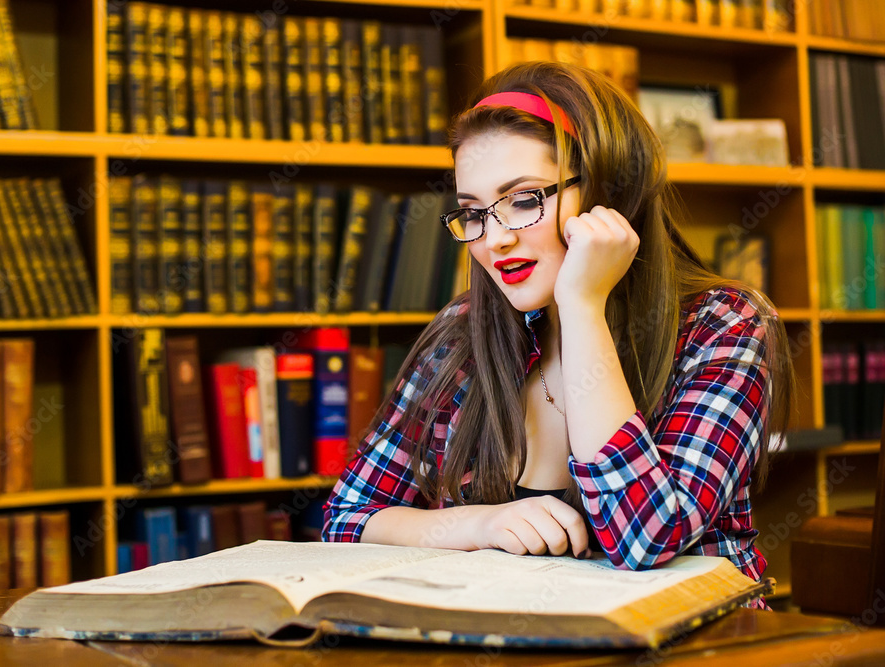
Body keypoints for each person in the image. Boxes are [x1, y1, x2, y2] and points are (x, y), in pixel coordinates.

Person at [322, 61, 795, 601]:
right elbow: (348, 517)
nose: (493, 240)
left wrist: (582, 307)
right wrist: (481, 526)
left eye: (523, 200)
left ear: (608, 195)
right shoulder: (463, 331)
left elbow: (644, 538)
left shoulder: (723, 325)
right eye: (472, 213)